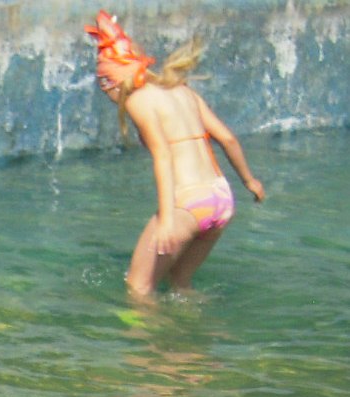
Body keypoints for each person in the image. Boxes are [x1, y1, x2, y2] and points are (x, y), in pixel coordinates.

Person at [87, 10, 265, 299]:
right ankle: (199, 327)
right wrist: (250, 180)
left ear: (112, 82)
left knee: (138, 288)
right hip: (221, 199)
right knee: (180, 284)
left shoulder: (138, 100)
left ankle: (150, 331)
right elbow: (227, 138)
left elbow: (163, 156)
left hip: (187, 205)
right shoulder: (182, 91)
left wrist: (167, 219)